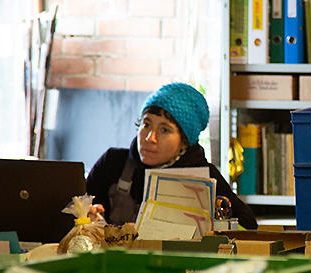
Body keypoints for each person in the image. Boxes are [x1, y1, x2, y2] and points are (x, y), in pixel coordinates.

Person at [86, 82, 258, 229]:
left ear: (184, 141)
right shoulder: (112, 163)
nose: (150, 138)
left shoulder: (205, 178)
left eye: (164, 130)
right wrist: (87, 218)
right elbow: (71, 208)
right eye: (146, 124)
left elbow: (248, 226)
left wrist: (218, 218)